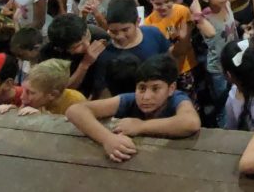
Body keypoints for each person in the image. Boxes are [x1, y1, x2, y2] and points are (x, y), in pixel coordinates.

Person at [66, 54, 200, 162]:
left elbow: (190, 123)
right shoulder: (129, 100)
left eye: (155, 88)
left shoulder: (177, 99)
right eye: (142, 88)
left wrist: (141, 126)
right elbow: (75, 110)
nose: (146, 97)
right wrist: (107, 139)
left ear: (171, 89)